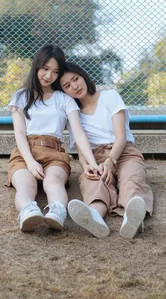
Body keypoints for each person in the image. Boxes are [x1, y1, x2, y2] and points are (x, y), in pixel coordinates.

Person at [7, 45, 100, 232]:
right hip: (26, 152)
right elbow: (19, 133)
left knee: (53, 181)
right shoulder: (21, 96)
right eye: (45, 68)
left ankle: (57, 211)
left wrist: (92, 162)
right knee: (26, 185)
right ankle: (28, 211)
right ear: (37, 66)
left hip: (55, 152)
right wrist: (30, 161)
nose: (49, 75)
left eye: (55, 72)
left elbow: (78, 132)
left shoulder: (63, 98)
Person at [60, 62, 153, 239]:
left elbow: (121, 137)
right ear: (64, 92)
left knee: (131, 179)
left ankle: (132, 218)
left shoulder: (110, 96)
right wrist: (87, 166)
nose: (75, 87)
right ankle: (95, 216)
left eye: (76, 79)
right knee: (93, 182)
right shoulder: (73, 114)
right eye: (67, 86)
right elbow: (81, 153)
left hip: (123, 152)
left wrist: (110, 162)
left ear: (83, 76)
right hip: (95, 158)